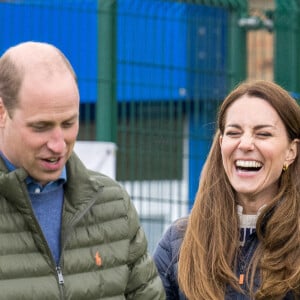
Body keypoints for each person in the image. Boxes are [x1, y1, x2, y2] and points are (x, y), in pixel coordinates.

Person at [0, 41, 165, 299]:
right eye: (41, 127)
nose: (58, 145)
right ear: (2, 113)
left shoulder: (114, 206)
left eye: (68, 123)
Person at [153, 80, 300, 299]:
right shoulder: (177, 243)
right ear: (221, 143)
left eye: (263, 134)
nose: (245, 144)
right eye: (234, 133)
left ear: (291, 151)